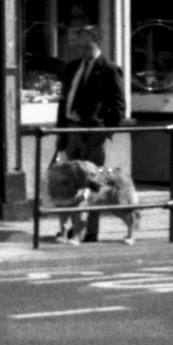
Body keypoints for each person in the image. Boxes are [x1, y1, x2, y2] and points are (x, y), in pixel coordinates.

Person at [56, 22, 124, 240]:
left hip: (92, 134)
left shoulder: (109, 69)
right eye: (80, 48)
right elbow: (64, 100)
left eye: (87, 47)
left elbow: (119, 106)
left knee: (92, 183)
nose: (83, 52)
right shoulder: (73, 67)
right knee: (68, 183)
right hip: (71, 130)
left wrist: (103, 132)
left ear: (97, 42)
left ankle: (91, 231)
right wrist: (61, 132)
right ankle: (69, 227)